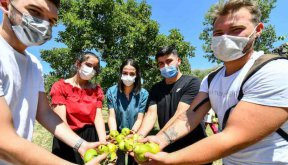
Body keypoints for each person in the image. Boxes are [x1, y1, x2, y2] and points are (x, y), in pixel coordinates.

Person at [141, 0, 288, 164]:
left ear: (258, 30)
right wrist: (160, 140)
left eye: (236, 29)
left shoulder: (274, 71)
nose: (225, 38)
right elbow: (190, 116)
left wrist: (170, 158)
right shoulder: (211, 79)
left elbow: (233, 137)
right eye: (218, 33)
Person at [0, 0, 106, 164]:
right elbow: (0, 139)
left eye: (51, 21)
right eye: (35, 11)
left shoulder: (34, 65)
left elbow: (45, 113)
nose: (43, 24)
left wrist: (82, 145)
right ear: (5, 4)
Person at [136, 46, 209, 158]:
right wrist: (138, 138)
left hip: (192, 147)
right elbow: (150, 114)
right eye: (161, 63)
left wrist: (158, 139)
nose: (165, 66)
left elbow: (181, 114)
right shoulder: (156, 88)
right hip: (167, 148)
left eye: (169, 61)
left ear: (178, 61)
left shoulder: (193, 83)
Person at [50, 52, 107, 164]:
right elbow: (61, 121)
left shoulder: (96, 90)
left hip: (90, 136)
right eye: (89, 65)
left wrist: (103, 141)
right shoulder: (60, 87)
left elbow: (98, 117)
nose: (92, 70)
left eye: (95, 68)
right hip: (67, 135)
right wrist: (77, 144)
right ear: (78, 63)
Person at [106, 59, 149, 165]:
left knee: (136, 160)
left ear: (137, 75)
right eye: (125, 73)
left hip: (136, 135)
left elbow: (140, 118)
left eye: (132, 73)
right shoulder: (111, 91)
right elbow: (111, 116)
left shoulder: (143, 94)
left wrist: (133, 133)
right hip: (118, 135)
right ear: (121, 73)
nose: (128, 76)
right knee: (118, 161)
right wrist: (113, 134)